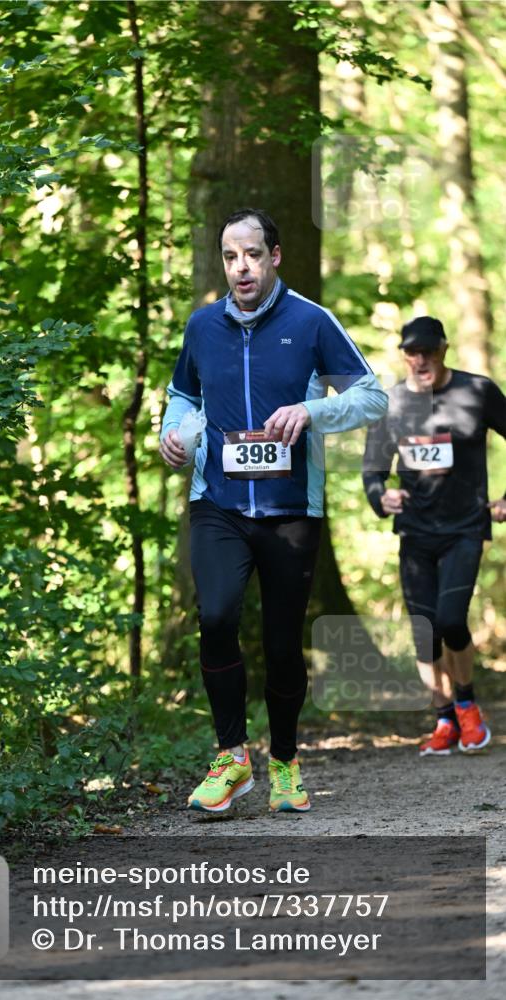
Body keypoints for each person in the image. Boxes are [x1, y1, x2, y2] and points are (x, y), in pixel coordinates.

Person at [159, 208, 387, 814]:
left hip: (291, 510)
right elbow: (183, 395)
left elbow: (373, 395)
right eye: (231, 257)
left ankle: (284, 762)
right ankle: (232, 757)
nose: (242, 268)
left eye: (253, 255)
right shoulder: (203, 326)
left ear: (275, 256)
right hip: (220, 504)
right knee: (215, 616)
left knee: (284, 645)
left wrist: (313, 413)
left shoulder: (312, 323)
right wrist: (176, 432)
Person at [362, 316, 506, 756]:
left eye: (428, 351)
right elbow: (373, 469)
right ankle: (443, 718)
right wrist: (379, 497)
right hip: (415, 532)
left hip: (464, 527)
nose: (419, 360)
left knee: (450, 620)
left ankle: (467, 705)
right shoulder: (392, 402)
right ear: (404, 355)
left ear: (444, 349)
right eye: (411, 352)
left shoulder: (476, 391)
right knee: (424, 633)